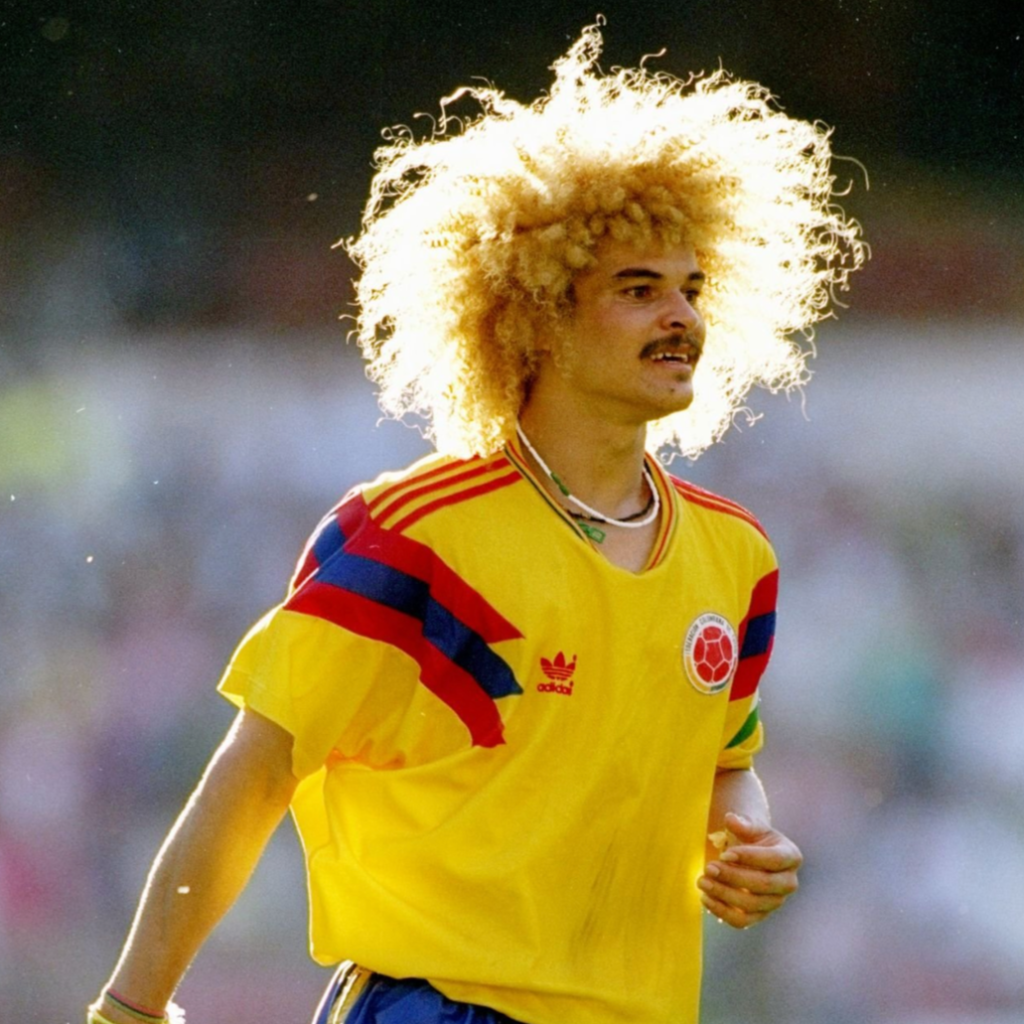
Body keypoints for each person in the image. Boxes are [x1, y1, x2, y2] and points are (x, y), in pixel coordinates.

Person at [88, 21, 865, 1024]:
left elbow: (724, 767)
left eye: (691, 289)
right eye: (637, 290)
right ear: (533, 314)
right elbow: (254, 773)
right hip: (436, 1007)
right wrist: (132, 1007)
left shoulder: (736, 556)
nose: (680, 317)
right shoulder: (409, 537)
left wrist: (746, 838)